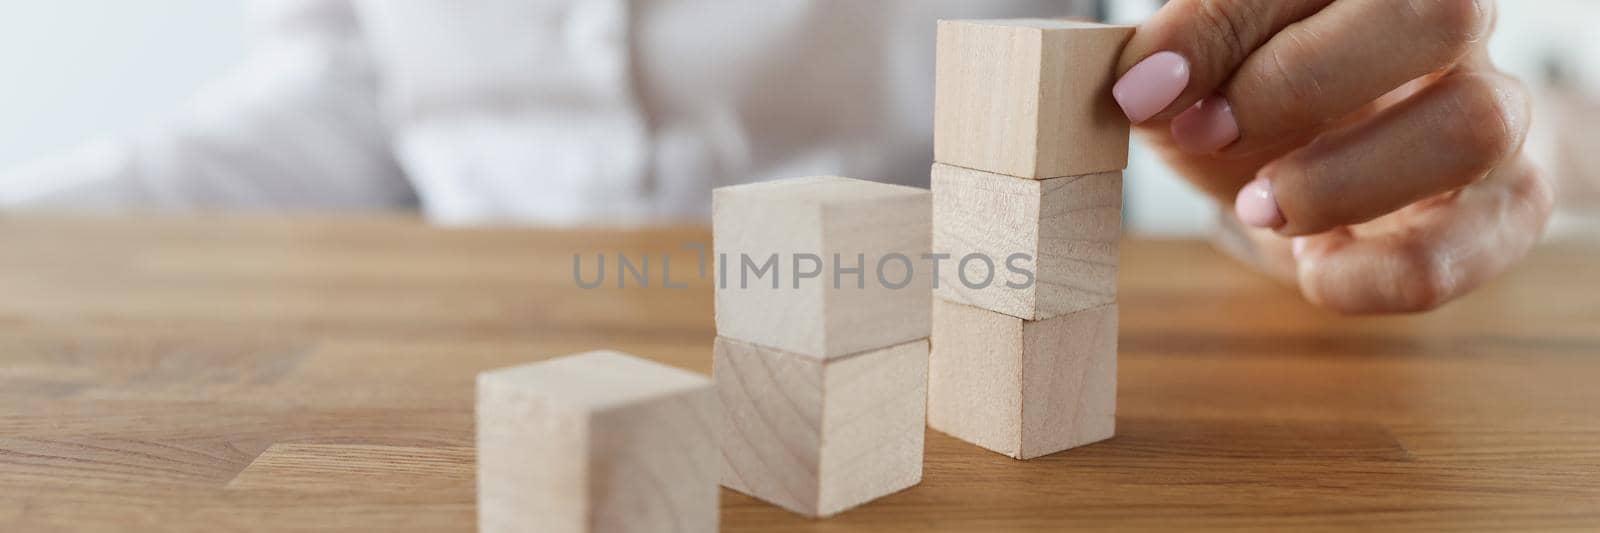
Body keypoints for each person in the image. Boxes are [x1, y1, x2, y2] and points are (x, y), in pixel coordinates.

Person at [0, 0, 1548, 315]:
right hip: (465, 365)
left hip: (927, 360)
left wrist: (1320, 127)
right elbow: (339, 103)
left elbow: (1185, 52)